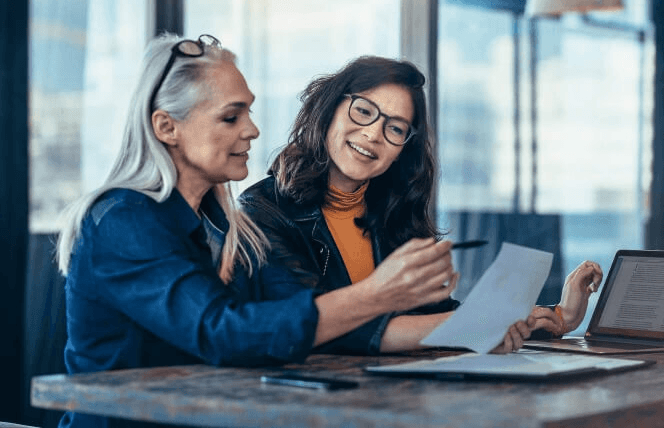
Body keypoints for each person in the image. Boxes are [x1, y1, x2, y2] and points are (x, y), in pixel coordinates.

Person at [55, 35, 465, 428]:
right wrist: (377, 294)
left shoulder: (221, 224)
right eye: (232, 116)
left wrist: (479, 323)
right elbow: (224, 333)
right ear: (166, 128)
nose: (252, 129)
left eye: (249, 112)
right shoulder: (122, 221)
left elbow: (276, 322)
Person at [239, 55, 603, 355]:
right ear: (330, 108)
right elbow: (316, 326)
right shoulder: (262, 211)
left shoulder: (391, 211)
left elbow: (434, 316)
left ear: (402, 150)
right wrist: (476, 326)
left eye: (395, 128)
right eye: (363, 111)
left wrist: (555, 317)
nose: (373, 134)